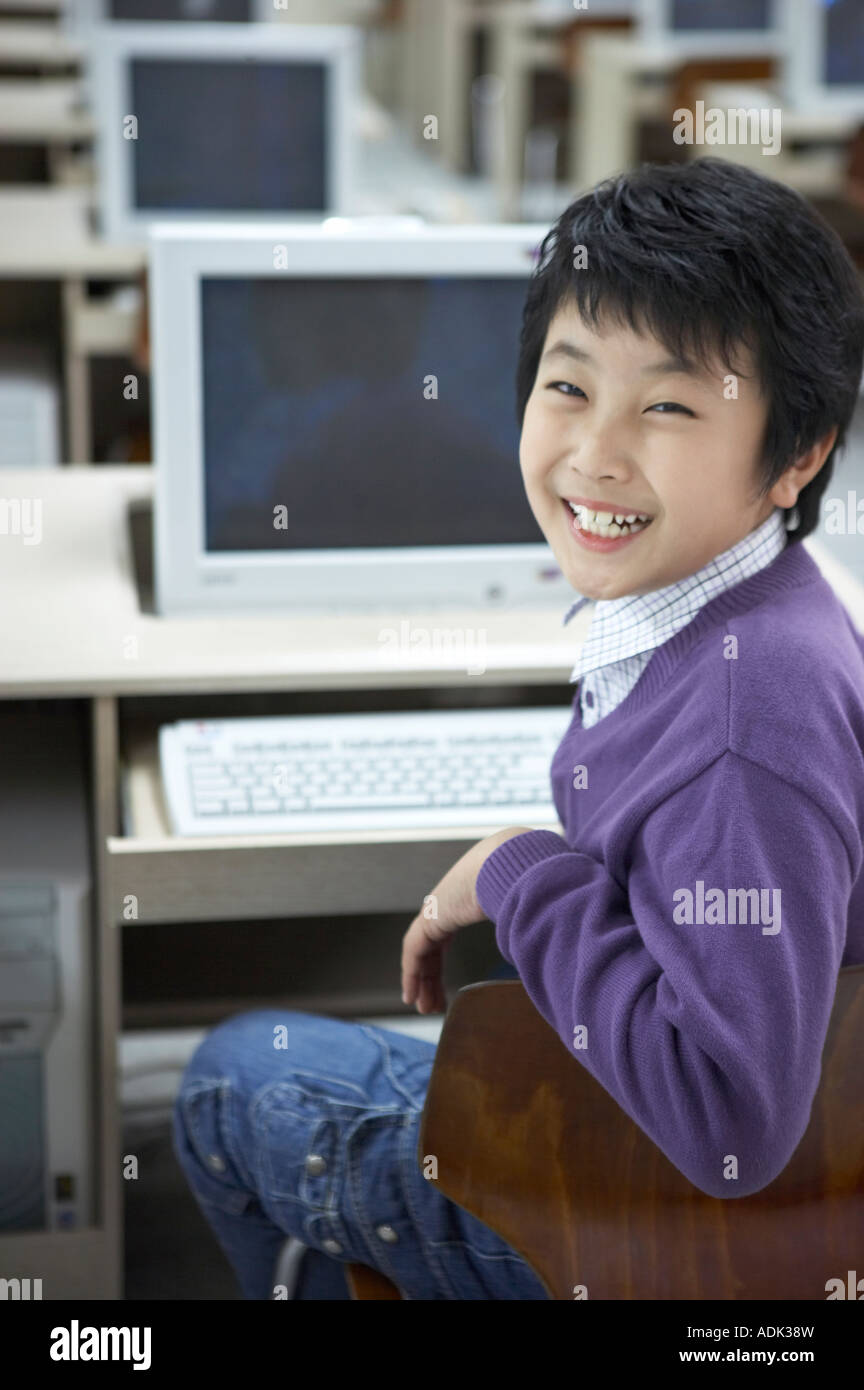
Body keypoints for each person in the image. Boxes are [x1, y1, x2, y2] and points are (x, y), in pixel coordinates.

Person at [172, 156, 864, 1299]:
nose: (595, 453)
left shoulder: (748, 717)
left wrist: (519, 868)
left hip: (646, 1228)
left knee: (230, 1076)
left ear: (797, 453)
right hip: (669, 1166)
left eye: (673, 405)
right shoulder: (751, 604)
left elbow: (731, 1117)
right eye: (569, 385)